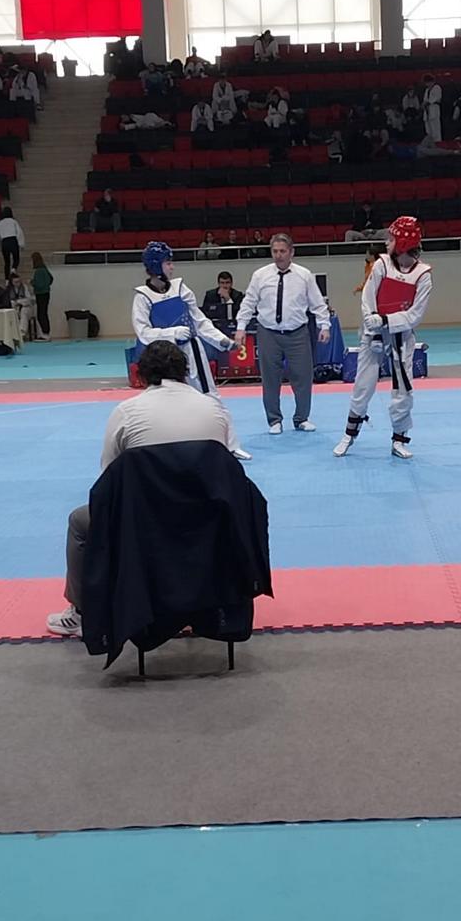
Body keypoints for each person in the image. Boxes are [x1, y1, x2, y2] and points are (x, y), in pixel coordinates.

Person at [45, 341, 239, 638]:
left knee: (79, 522)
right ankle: (209, 601)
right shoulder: (214, 409)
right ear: (185, 372)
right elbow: (222, 466)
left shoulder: (127, 411)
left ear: (141, 374)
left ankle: (83, 613)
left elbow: (109, 476)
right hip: (208, 517)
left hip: (143, 520)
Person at [132, 241, 250, 459]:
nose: (172, 267)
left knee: (210, 396)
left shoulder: (180, 288)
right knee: (164, 402)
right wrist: (172, 333)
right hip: (162, 356)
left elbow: (200, 321)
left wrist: (222, 341)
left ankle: (230, 445)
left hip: (191, 352)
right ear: (156, 265)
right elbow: (143, 333)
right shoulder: (142, 297)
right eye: (168, 263)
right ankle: (167, 449)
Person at [333, 216, 432, 460]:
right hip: (374, 333)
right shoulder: (382, 264)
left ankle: (399, 439)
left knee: (403, 390)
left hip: (401, 335)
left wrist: (386, 320)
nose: (387, 242)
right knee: (363, 385)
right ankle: (349, 434)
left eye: (392, 238)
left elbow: (415, 315)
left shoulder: (423, 275)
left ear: (403, 242)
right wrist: (373, 321)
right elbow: (368, 297)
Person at [235, 233, 330, 433]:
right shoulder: (260, 275)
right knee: (270, 378)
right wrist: (241, 327)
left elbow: (317, 302)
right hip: (268, 332)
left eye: (282, 251)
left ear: (291, 252)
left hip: (298, 333)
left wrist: (324, 325)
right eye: (275, 251)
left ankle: (302, 418)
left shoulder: (304, 275)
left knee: (303, 377)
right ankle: (274, 420)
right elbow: (248, 302)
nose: (278, 255)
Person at [0, 205, 25, 279]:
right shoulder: (13, 222)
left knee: (7, 262)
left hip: (4, 242)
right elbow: (19, 233)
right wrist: (21, 244)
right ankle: (13, 269)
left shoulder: (0, 223)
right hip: (13, 240)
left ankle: (6, 280)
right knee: (16, 259)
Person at [30, 251, 53, 340]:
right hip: (46, 293)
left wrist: (32, 282)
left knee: (41, 314)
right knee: (44, 313)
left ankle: (45, 333)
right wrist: (47, 285)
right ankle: (46, 332)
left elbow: (39, 284)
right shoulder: (44, 269)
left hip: (41, 294)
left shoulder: (38, 271)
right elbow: (51, 279)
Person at [6, 270, 35, 339]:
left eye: (19, 281)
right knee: (12, 311)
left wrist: (19, 302)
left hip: (26, 308)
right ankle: (13, 334)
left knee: (23, 311)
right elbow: (7, 301)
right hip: (15, 308)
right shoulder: (8, 289)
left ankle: (22, 333)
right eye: (15, 282)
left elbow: (29, 299)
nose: (18, 283)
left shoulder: (24, 287)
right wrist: (15, 303)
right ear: (12, 282)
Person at [422, 74, 442, 143]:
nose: (427, 84)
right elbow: (425, 100)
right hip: (427, 111)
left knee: (435, 129)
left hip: (434, 110)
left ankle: (437, 142)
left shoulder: (437, 87)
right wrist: (424, 104)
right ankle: (430, 142)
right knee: (428, 129)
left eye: (428, 82)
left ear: (431, 81)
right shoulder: (427, 90)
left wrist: (428, 102)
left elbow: (437, 98)